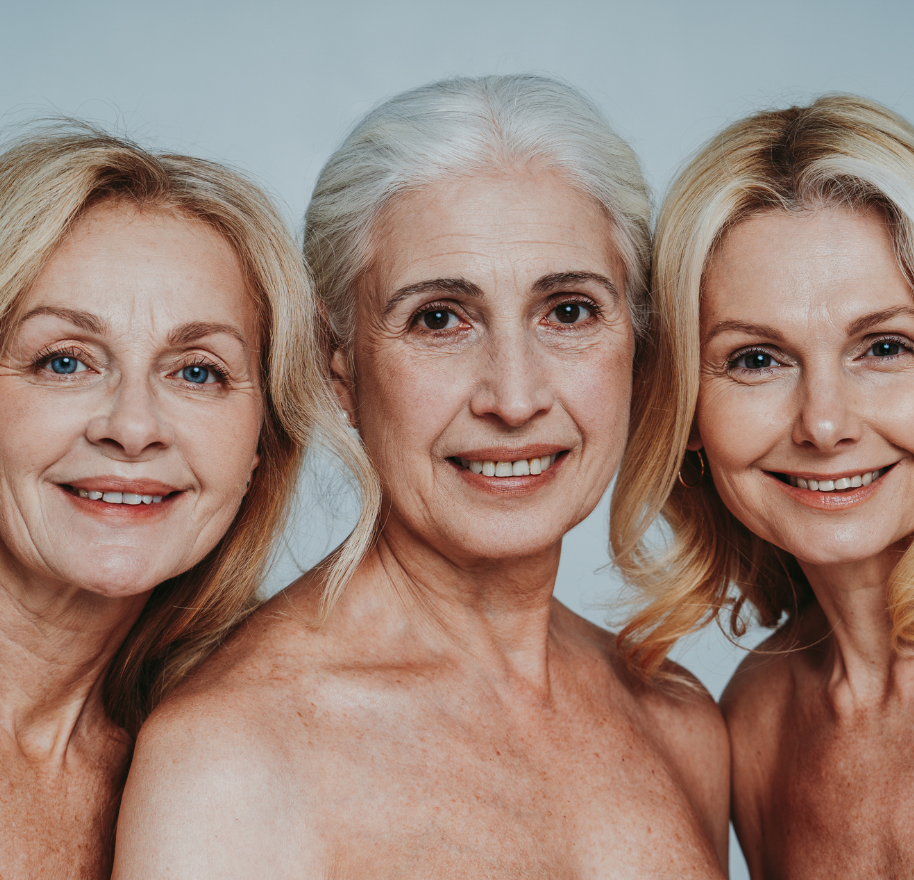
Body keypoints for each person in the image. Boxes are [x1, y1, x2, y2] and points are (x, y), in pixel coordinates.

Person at [113, 74, 729, 878]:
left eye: (569, 311)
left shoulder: (681, 721)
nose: (514, 398)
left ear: (638, 347)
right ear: (338, 366)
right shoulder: (231, 760)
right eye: (438, 318)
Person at [612, 93, 914, 878]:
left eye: (885, 347)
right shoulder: (758, 723)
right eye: (756, 360)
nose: (824, 423)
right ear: (686, 410)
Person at [0, 121, 323, 878]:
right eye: (65, 361)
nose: (133, 428)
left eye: (198, 372)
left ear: (261, 446)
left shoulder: (233, 768)